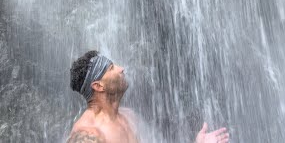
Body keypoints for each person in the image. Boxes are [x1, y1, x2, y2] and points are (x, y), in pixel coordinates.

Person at [67, 50, 229, 143]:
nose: (121, 68)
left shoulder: (129, 116)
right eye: (111, 68)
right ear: (98, 86)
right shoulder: (87, 136)